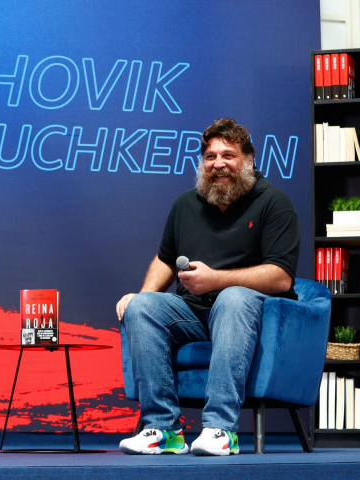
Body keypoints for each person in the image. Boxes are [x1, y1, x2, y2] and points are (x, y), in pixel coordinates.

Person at [116, 118, 300, 456]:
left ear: (249, 160)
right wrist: (142, 295)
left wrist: (217, 279)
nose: (218, 164)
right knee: (141, 307)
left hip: (251, 317)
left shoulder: (274, 201)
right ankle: (163, 429)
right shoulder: (186, 204)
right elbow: (165, 260)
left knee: (232, 298)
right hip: (193, 313)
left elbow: (281, 276)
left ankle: (220, 429)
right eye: (210, 156)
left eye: (228, 155)